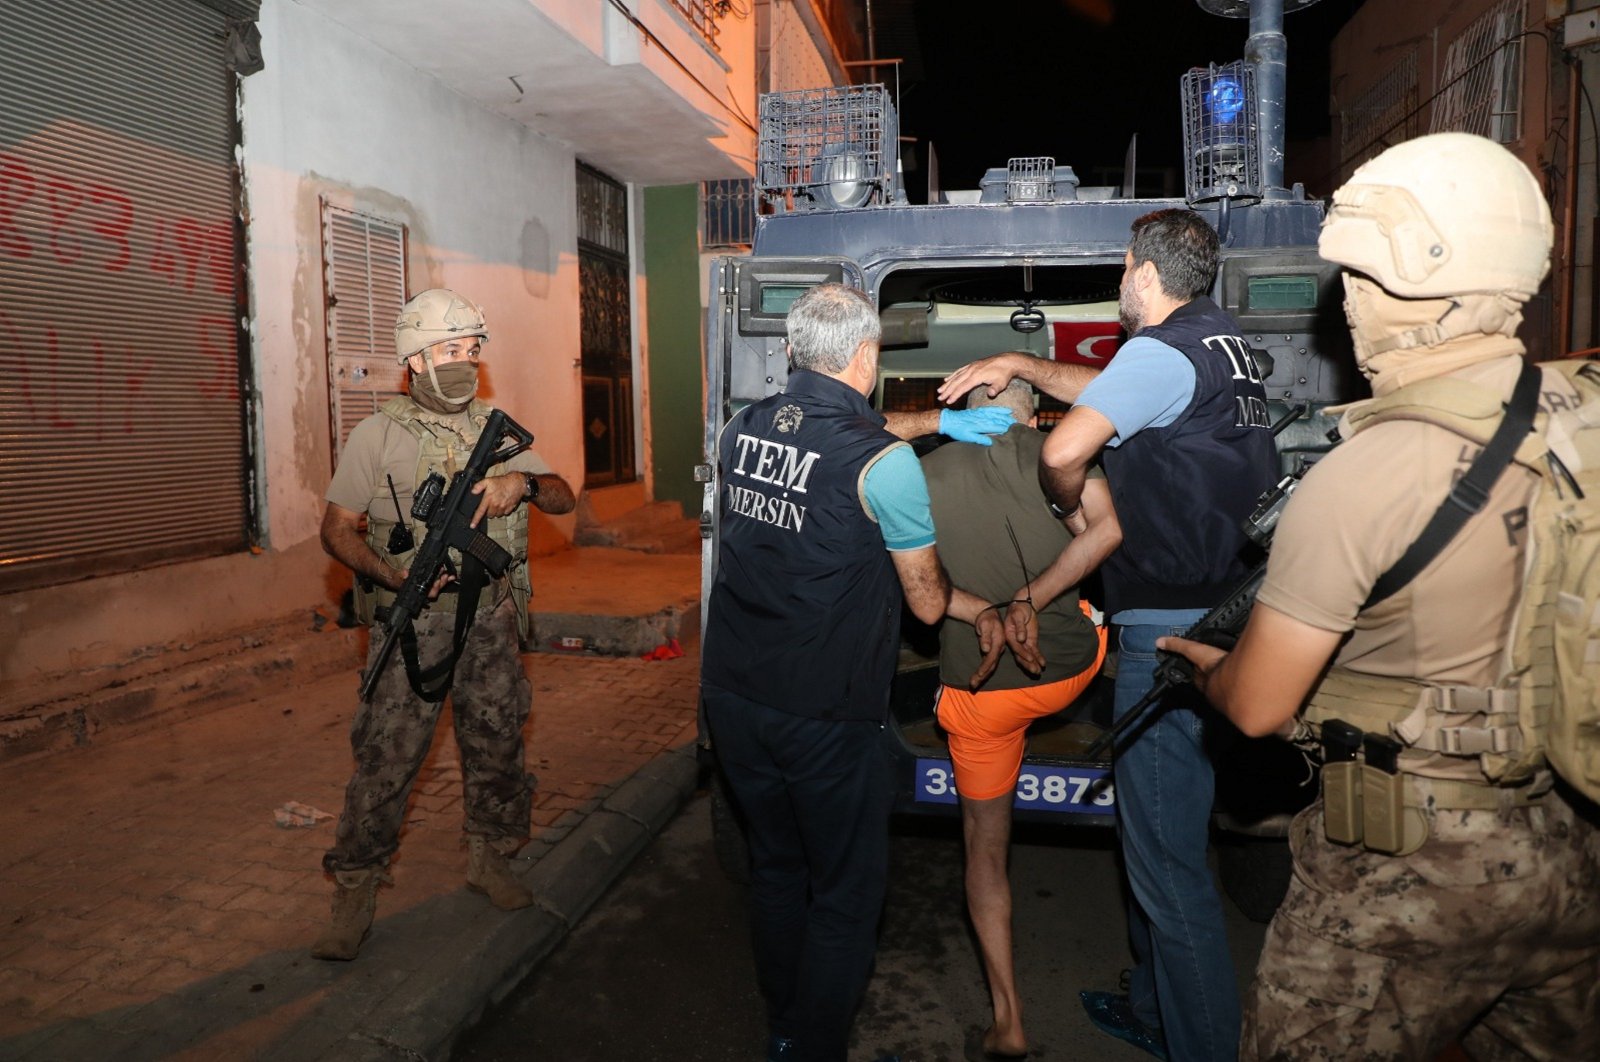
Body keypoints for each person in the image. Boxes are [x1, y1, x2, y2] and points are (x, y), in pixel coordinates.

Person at [1160, 133, 1600, 1059]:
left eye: (1360, 278)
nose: (1348, 301)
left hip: (1408, 871)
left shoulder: (1367, 475)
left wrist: (1210, 673)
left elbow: (1259, 706)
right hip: (1570, 848)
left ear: (1423, 283)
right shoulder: (1583, 412)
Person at [940, 208, 1278, 1061]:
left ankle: (1198, 1045)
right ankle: (1161, 1012)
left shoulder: (1157, 352)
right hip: (1232, 612)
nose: (1120, 280)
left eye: (1122, 268)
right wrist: (1021, 361)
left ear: (1142, 273)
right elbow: (1110, 396)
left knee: (1169, 875)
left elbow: (1068, 452)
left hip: (1166, 632)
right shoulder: (1220, 345)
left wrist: (1061, 494)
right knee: (1167, 836)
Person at [704, 282, 975, 1062]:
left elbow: (827, 431)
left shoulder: (739, 428)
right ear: (867, 356)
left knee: (778, 868)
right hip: (824, 711)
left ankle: (784, 1024)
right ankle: (815, 1047)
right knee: (846, 895)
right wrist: (986, 602)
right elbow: (926, 604)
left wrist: (940, 423)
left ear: (792, 351)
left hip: (733, 694)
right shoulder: (886, 466)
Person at [311, 288, 575, 962]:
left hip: (489, 623)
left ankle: (491, 857)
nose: (466, 360)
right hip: (411, 630)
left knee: (497, 741)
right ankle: (356, 887)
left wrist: (524, 486)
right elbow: (336, 530)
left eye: (472, 349)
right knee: (387, 758)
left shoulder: (497, 427)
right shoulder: (378, 436)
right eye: (452, 349)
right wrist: (392, 575)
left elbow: (564, 495)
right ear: (415, 360)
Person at [921, 379, 1121, 1058]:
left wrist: (985, 609)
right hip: (1064, 671)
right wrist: (1026, 603)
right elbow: (1108, 534)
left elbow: (918, 591)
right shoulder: (1061, 455)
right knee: (1097, 622)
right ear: (1032, 412)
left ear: (965, 412)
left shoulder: (920, 473)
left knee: (984, 846)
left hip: (979, 693)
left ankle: (1008, 1021)